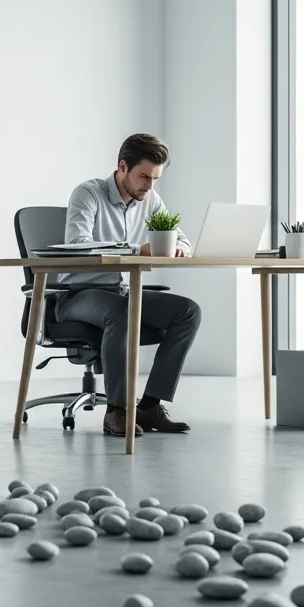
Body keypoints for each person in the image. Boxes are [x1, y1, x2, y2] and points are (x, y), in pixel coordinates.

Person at [56, 133, 201, 437]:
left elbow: (181, 236)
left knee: (187, 311)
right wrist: (137, 250)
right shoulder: (88, 194)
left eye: (155, 179)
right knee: (122, 311)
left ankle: (148, 406)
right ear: (122, 166)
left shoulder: (149, 199)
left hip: (118, 291)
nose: (149, 186)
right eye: (144, 176)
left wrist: (179, 247)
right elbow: (78, 244)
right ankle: (117, 411)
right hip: (76, 295)